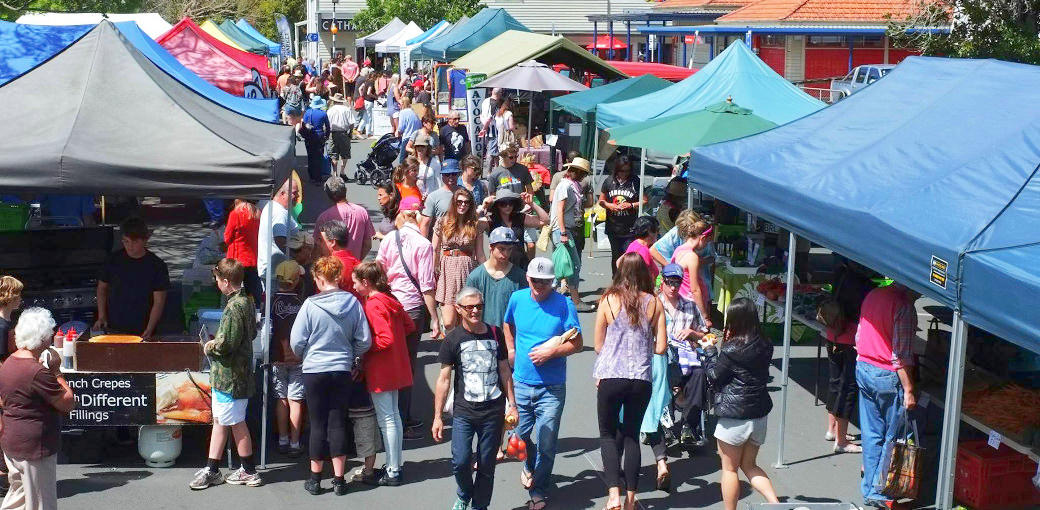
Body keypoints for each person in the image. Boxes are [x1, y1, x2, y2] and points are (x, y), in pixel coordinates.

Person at [503, 257, 583, 509]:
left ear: (552, 281)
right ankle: (529, 465)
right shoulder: (517, 299)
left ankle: (539, 488)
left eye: (544, 282)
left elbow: (577, 343)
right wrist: (511, 348)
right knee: (519, 437)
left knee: (547, 442)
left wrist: (551, 353)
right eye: (535, 280)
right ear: (528, 278)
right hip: (522, 383)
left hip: (552, 387)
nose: (539, 285)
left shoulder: (564, 303)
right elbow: (507, 323)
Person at [290, 256, 372, 496]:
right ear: (338, 277)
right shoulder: (353, 303)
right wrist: (352, 356)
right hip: (341, 369)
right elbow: (364, 340)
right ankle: (339, 479)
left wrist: (306, 354)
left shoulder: (310, 305)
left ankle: (315, 479)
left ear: (318, 278)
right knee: (338, 422)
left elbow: (297, 341)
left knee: (317, 424)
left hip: (314, 370)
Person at [593, 254, 667, 510]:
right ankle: (631, 499)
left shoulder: (608, 300)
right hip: (640, 378)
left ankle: (613, 494)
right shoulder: (655, 303)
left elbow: (599, 344)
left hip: (611, 375)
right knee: (632, 435)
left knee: (607, 434)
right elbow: (661, 347)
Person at [433, 287, 518, 510]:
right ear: (459, 309)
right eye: (470, 307)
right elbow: (443, 379)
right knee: (460, 461)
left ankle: (480, 506)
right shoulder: (452, 340)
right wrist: (437, 417)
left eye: (479, 306)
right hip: (464, 411)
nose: (475, 311)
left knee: (487, 465)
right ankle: (464, 494)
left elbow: (504, 370)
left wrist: (513, 405)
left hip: (493, 410)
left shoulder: (495, 333)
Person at [702, 297, 779, 510]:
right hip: (759, 414)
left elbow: (715, 376)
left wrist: (710, 351)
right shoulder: (766, 344)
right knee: (750, 465)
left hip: (734, 416)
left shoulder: (731, 350)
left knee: (729, 470)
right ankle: (776, 504)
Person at [191, 259, 262, 489]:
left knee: (235, 423)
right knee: (224, 421)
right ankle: (214, 468)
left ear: (225, 281)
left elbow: (226, 344)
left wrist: (210, 345)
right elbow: (249, 334)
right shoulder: (247, 300)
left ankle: (249, 471)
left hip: (230, 377)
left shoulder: (234, 307)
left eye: (217, 279)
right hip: (236, 375)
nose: (216, 283)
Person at [376, 197, 439, 438]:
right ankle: (403, 416)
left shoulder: (390, 238)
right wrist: (434, 318)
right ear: (418, 216)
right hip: (412, 309)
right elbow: (426, 286)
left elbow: (379, 271)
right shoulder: (424, 245)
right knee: (407, 363)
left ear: (402, 215)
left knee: (388, 359)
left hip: (391, 306)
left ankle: (388, 416)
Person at [0, 308, 74, 510]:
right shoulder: (37, 371)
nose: (51, 336)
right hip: (34, 445)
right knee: (41, 502)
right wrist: (57, 372)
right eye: (50, 333)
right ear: (42, 339)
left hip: (13, 440)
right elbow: (67, 402)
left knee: (19, 496)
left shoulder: (9, 363)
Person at [352, 261, 415, 486]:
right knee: (394, 417)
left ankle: (393, 470)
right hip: (396, 365)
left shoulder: (373, 304)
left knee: (387, 418)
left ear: (366, 282)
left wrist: (365, 347)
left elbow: (384, 338)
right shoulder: (391, 299)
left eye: (356, 282)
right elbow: (408, 326)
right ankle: (394, 465)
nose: (354, 287)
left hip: (381, 368)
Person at [855, 283, 918, 509]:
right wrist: (909, 389)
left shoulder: (873, 294)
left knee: (872, 435)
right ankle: (880, 490)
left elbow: (859, 335)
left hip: (864, 366)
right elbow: (900, 355)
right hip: (886, 374)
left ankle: (870, 489)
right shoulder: (903, 305)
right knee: (892, 437)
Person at [657, 263, 709, 461]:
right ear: (662, 282)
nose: (673, 287)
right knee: (663, 372)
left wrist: (692, 333)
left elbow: (706, 336)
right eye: (669, 282)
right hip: (663, 358)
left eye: (677, 283)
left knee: (699, 374)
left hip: (687, 357)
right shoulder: (655, 304)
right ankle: (667, 427)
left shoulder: (690, 305)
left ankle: (689, 425)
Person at [94, 217, 170, 339]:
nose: (130, 246)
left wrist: (150, 328)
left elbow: (159, 301)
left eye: (134, 242)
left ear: (145, 240)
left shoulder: (157, 266)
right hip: (114, 326)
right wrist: (101, 316)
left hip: (143, 328)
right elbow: (102, 289)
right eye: (126, 241)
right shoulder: (113, 260)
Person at [432, 188, 486, 332]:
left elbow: (480, 253)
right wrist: (432, 269)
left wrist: (487, 272)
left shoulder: (475, 224)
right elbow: (434, 249)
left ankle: (459, 348)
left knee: (466, 319)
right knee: (449, 322)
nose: (463, 205)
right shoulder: (442, 222)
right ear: (454, 203)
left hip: (467, 269)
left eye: (466, 202)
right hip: (447, 270)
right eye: (459, 202)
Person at [271, 260, 305, 457]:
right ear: (296, 281)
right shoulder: (302, 303)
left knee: (281, 398)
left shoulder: (272, 301)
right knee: (296, 400)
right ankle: (295, 441)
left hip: (277, 357)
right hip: (298, 358)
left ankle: (283, 439)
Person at [550, 157, 593, 312]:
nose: (584, 177)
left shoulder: (573, 186)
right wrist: (562, 232)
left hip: (568, 229)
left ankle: (568, 299)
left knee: (566, 266)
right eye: (582, 174)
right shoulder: (565, 186)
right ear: (575, 172)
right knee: (570, 265)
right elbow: (559, 210)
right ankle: (574, 301)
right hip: (563, 230)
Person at [466, 227, 528, 328]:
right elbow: (467, 311)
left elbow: (524, 308)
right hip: (483, 336)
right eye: (501, 249)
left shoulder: (520, 276)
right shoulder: (475, 277)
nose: (506, 254)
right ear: (491, 247)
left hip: (511, 336)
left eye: (510, 249)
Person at [481, 190, 547, 270]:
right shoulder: (490, 220)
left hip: (520, 265)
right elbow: (472, 226)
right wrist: (483, 207)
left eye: (510, 203)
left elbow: (545, 220)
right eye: (503, 204)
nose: (508, 206)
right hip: (499, 266)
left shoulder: (520, 217)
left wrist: (531, 204)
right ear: (497, 205)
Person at [599, 156, 643, 274]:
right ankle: (616, 279)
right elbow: (601, 201)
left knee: (628, 255)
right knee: (616, 255)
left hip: (629, 227)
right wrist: (610, 206)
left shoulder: (635, 181)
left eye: (627, 171)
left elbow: (644, 200)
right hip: (613, 226)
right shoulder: (609, 181)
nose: (624, 174)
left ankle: (627, 280)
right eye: (622, 171)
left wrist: (632, 205)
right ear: (617, 169)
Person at [313, 176, 375, 260]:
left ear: (329, 195)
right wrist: (357, 261)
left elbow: (317, 247)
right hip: (354, 267)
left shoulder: (324, 217)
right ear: (345, 190)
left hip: (332, 269)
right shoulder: (362, 212)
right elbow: (368, 244)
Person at [671, 213, 713, 325]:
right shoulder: (692, 256)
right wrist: (705, 316)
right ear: (702, 238)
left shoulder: (679, 250)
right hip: (691, 306)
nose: (706, 245)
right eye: (707, 242)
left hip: (680, 302)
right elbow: (695, 289)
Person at [258, 180, 301, 286]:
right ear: (282, 193)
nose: (297, 196)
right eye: (294, 193)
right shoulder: (279, 213)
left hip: (273, 271)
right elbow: (280, 239)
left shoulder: (272, 207)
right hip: (278, 274)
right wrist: (297, 256)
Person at [224, 199, 262, 301]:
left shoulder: (235, 214)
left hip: (236, 260)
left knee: (234, 293)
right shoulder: (258, 213)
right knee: (253, 292)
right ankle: (255, 312)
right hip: (253, 259)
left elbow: (227, 238)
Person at [317, 220, 361, 296]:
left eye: (321, 240)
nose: (318, 244)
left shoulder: (327, 268)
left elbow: (321, 299)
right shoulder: (359, 264)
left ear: (332, 242)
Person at [420, 159, 461, 238]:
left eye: (454, 174)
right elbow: (425, 223)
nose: (451, 177)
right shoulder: (433, 197)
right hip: (441, 242)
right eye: (447, 174)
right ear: (442, 176)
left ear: (459, 174)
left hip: (463, 241)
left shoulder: (466, 194)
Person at [301, 96, 331, 184]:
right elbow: (328, 127)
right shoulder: (323, 114)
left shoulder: (307, 112)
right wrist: (327, 136)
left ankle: (311, 176)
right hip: (319, 136)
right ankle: (318, 177)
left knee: (310, 156)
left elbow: (304, 124)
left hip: (309, 136)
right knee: (318, 157)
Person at [623, 216, 660, 281]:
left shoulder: (635, 243)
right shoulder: (642, 251)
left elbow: (619, 262)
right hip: (642, 288)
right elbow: (641, 278)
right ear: (649, 232)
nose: (658, 233)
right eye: (657, 230)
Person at [326, 94, 353, 178]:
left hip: (333, 132)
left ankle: (335, 172)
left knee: (334, 153)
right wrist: (351, 132)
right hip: (344, 132)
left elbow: (327, 123)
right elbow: (351, 123)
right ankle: (342, 171)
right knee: (345, 153)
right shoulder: (346, 109)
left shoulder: (330, 110)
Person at [0, 276, 24, 359]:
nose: (20, 298)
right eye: (18, 295)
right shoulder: (2, 327)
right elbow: (2, 361)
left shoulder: (10, 321)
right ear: (10, 296)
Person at [396, 97, 422, 165]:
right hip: (417, 137)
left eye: (399, 104)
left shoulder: (402, 112)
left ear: (403, 104)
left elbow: (401, 127)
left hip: (408, 137)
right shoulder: (413, 111)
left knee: (402, 160)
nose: (398, 105)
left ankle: (402, 174)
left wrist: (397, 132)